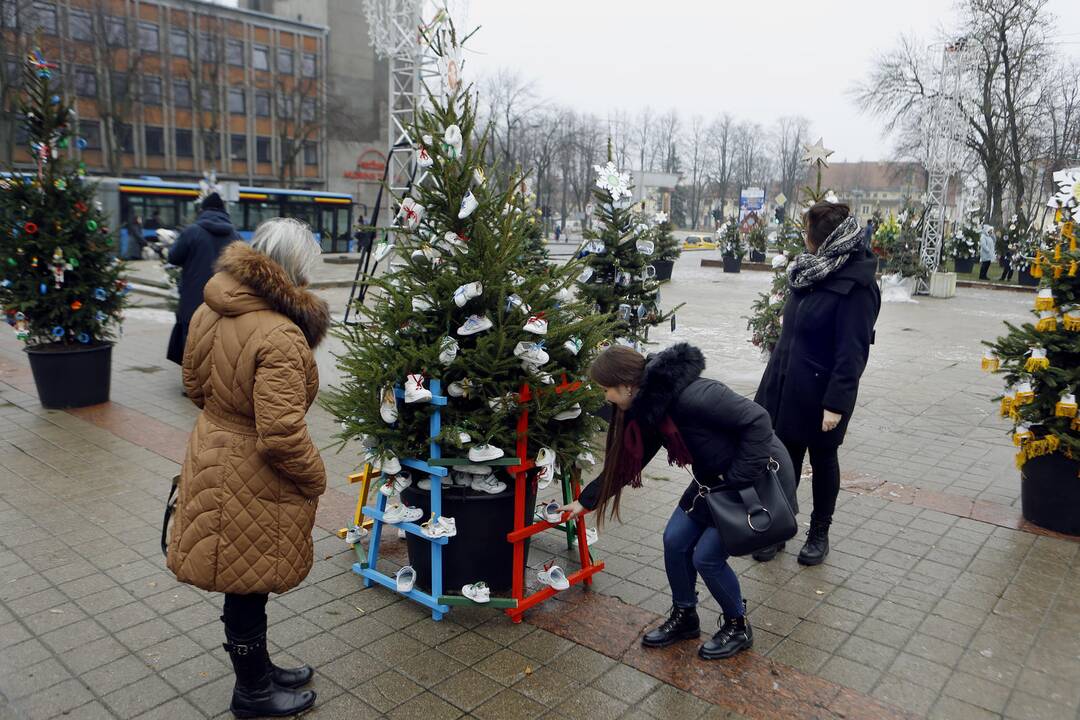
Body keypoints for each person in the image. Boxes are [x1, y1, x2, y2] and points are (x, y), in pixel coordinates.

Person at [166, 219, 329, 718]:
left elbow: (194, 386)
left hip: (212, 451)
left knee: (242, 579)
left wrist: (225, 421)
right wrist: (314, 477)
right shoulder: (279, 333)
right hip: (252, 473)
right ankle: (253, 693)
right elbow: (280, 431)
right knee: (246, 582)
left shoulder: (209, 309)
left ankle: (258, 670)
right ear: (294, 269)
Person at [558, 343, 795, 660]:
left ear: (627, 386)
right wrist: (587, 502)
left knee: (707, 557)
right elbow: (631, 461)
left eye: (607, 390)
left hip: (751, 479)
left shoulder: (696, 396)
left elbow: (759, 420)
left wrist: (734, 480)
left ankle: (738, 625)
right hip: (715, 479)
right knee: (675, 539)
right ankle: (686, 616)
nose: (606, 398)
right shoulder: (653, 406)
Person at [753, 202, 880, 566]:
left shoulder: (857, 284)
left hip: (823, 395)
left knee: (823, 460)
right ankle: (779, 527)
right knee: (783, 459)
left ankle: (819, 533)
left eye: (807, 230)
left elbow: (852, 352)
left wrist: (836, 404)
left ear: (825, 239)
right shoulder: (810, 270)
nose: (803, 236)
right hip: (786, 384)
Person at [166, 193, 240, 366]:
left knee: (191, 339)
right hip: (223, 300)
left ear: (203, 210)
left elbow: (173, 257)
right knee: (218, 339)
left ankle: (191, 383)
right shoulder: (235, 236)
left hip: (193, 299)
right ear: (224, 211)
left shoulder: (192, 232)